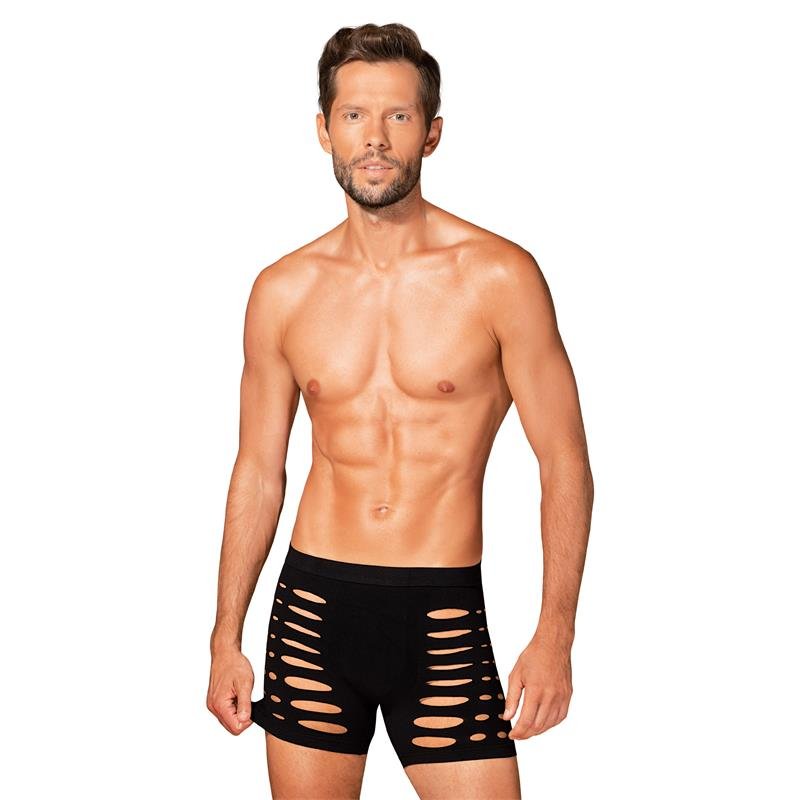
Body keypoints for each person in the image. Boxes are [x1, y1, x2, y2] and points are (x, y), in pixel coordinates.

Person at [207, 22, 593, 800]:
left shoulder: (499, 277)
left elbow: (564, 463)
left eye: (398, 116)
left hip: (441, 615)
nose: (375, 137)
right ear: (325, 131)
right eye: (354, 115)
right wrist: (225, 637)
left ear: (432, 133)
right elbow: (258, 470)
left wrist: (555, 636)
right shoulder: (282, 291)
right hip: (312, 616)